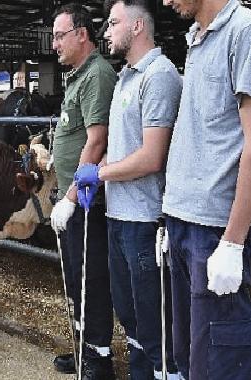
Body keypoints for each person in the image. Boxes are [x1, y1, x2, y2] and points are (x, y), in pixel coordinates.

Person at [75, 1, 182, 378]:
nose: (106, 30)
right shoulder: (126, 77)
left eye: (114, 23)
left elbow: (152, 157)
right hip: (119, 216)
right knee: (132, 321)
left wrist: (100, 176)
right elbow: (124, 150)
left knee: (155, 328)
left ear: (137, 26)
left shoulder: (159, 75)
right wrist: (95, 169)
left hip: (144, 220)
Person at [160, 0, 251, 378]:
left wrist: (232, 242)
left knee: (217, 365)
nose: (165, 1)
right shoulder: (196, 38)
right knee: (187, 356)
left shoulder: (242, 30)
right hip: (183, 224)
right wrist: (173, 212)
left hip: (214, 231)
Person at [48, 3, 117, 379]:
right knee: (75, 275)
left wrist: (71, 197)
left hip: (88, 201)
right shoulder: (77, 76)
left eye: (60, 35)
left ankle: (98, 359)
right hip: (73, 198)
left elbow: (96, 141)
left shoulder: (97, 75)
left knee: (90, 278)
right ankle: (81, 349)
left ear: (81, 34)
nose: (55, 44)